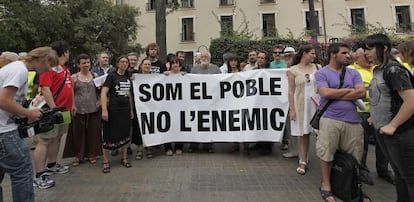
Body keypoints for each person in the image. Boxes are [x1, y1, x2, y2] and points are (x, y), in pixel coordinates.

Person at [0, 47, 58, 201]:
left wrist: (21, 113)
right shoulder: (20, 70)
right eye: (48, 66)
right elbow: (3, 100)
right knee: (23, 170)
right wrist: (29, 113)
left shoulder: (14, 68)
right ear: (41, 59)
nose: (47, 70)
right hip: (4, 131)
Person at [365, 34, 414, 202]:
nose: (366, 53)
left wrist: (393, 125)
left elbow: (411, 101)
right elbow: (382, 97)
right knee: (399, 174)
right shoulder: (379, 70)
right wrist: (374, 115)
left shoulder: (393, 70)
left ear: (384, 48)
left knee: (409, 176)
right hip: (384, 131)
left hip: (400, 133)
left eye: (370, 48)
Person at [315, 43, 365, 202]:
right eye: (344, 53)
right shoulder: (322, 73)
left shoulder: (353, 73)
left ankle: (351, 186)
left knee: (354, 155)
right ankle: (326, 185)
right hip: (330, 118)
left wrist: (335, 93)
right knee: (327, 153)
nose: (348, 55)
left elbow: (362, 92)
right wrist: (350, 92)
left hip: (353, 120)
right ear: (333, 54)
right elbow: (325, 92)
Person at [348, 48, 394, 186]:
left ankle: (383, 170)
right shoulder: (351, 70)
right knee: (362, 143)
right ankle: (363, 171)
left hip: (380, 112)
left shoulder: (378, 69)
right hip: (361, 112)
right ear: (356, 58)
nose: (368, 58)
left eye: (369, 55)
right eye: (364, 55)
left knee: (383, 143)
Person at [33, 41, 74, 189]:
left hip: (65, 111)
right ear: (65, 53)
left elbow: (69, 88)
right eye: (68, 52)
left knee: (57, 137)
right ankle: (39, 174)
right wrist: (53, 109)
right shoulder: (48, 68)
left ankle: (52, 164)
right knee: (44, 141)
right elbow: (45, 89)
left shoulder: (65, 69)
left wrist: (72, 105)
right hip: (53, 112)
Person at [62, 54, 102, 166]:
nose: (86, 65)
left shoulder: (94, 75)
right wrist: (72, 106)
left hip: (93, 108)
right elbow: (71, 94)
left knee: (93, 133)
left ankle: (92, 154)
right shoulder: (74, 77)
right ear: (78, 64)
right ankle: (78, 156)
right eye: (83, 63)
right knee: (78, 134)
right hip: (79, 109)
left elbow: (99, 90)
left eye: (88, 62)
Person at [287, 45, 321, 175]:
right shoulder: (293, 70)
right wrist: (292, 109)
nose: (314, 56)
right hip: (301, 105)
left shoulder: (318, 68)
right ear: (304, 54)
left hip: (317, 104)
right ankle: (303, 160)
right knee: (304, 134)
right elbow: (290, 91)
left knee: (321, 132)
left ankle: (326, 158)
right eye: (312, 53)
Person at [101, 55, 134, 173]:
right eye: (122, 62)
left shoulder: (128, 76)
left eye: (126, 62)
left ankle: (124, 158)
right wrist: (104, 110)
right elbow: (104, 92)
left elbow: (129, 94)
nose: (124, 64)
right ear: (117, 63)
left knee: (125, 134)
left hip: (125, 110)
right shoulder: (112, 76)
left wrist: (131, 110)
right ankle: (105, 162)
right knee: (108, 135)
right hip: (113, 110)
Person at [189, 51, 221, 153]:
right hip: (197, 102)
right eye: (202, 56)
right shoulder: (194, 69)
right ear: (199, 58)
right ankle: (194, 145)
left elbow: (221, 82)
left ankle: (208, 145)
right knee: (195, 122)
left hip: (211, 102)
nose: (204, 58)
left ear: (209, 58)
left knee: (208, 123)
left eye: (206, 56)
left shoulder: (216, 69)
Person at [250, 50, 274, 155]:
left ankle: (267, 146)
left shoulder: (271, 71)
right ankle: (259, 142)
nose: (260, 59)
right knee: (258, 122)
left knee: (267, 122)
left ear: (266, 60)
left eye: (262, 58)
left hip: (268, 101)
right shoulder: (253, 71)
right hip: (257, 101)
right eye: (259, 57)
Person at [163, 56, 186, 155]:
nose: (175, 65)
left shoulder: (185, 76)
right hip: (168, 106)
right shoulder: (165, 76)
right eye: (173, 63)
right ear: (170, 65)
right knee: (166, 125)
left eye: (177, 63)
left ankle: (179, 146)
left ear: (180, 66)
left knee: (179, 125)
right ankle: (167, 148)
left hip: (180, 106)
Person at [280, 46, 296, 152]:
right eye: (286, 56)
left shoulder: (297, 68)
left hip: (296, 100)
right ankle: (294, 149)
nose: (287, 57)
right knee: (290, 126)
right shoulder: (283, 68)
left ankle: (297, 151)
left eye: (290, 55)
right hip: (285, 101)